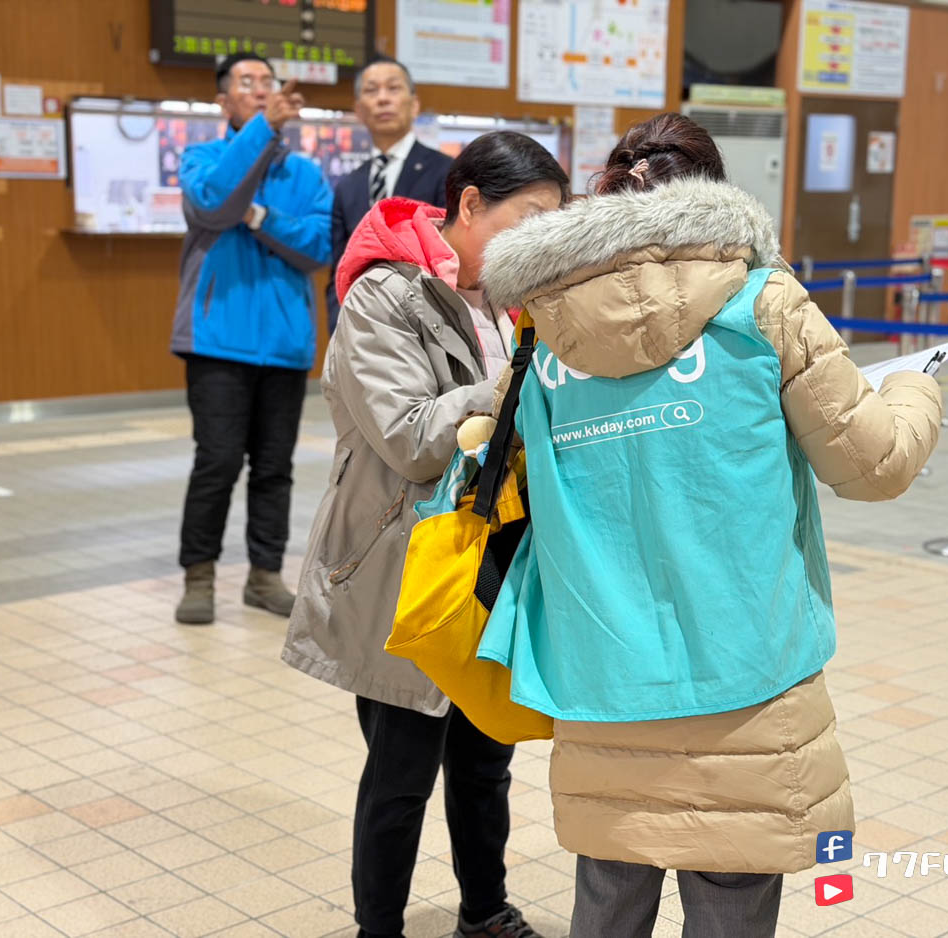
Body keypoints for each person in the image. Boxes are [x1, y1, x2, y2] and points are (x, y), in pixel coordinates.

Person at [478, 113, 944, 938]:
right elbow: (873, 467)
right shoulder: (762, 302)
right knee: (731, 901)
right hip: (746, 678)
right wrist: (916, 390)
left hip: (602, 674)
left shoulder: (548, 337)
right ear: (716, 193)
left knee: (608, 897)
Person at [282, 132, 569, 938]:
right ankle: (381, 928)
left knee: (485, 764)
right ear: (470, 204)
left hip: (488, 560)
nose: (542, 238)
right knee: (402, 771)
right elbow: (409, 437)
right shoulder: (383, 296)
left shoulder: (512, 302)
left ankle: (485, 910)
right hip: (403, 563)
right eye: (530, 218)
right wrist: (512, 382)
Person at [170, 53, 333, 625]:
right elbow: (215, 204)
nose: (261, 90)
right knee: (216, 461)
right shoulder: (203, 158)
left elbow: (317, 247)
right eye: (248, 83)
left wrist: (263, 218)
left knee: (274, 466)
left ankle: (264, 575)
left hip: (286, 344)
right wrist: (263, 132)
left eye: (267, 82)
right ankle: (199, 576)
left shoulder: (307, 174)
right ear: (223, 102)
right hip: (216, 340)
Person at [326, 57, 452, 331]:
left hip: (428, 329)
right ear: (359, 110)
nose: (383, 99)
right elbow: (339, 268)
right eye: (371, 91)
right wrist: (339, 328)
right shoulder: (348, 185)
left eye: (393, 88)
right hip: (358, 330)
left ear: (414, 104)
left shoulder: (446, 172)